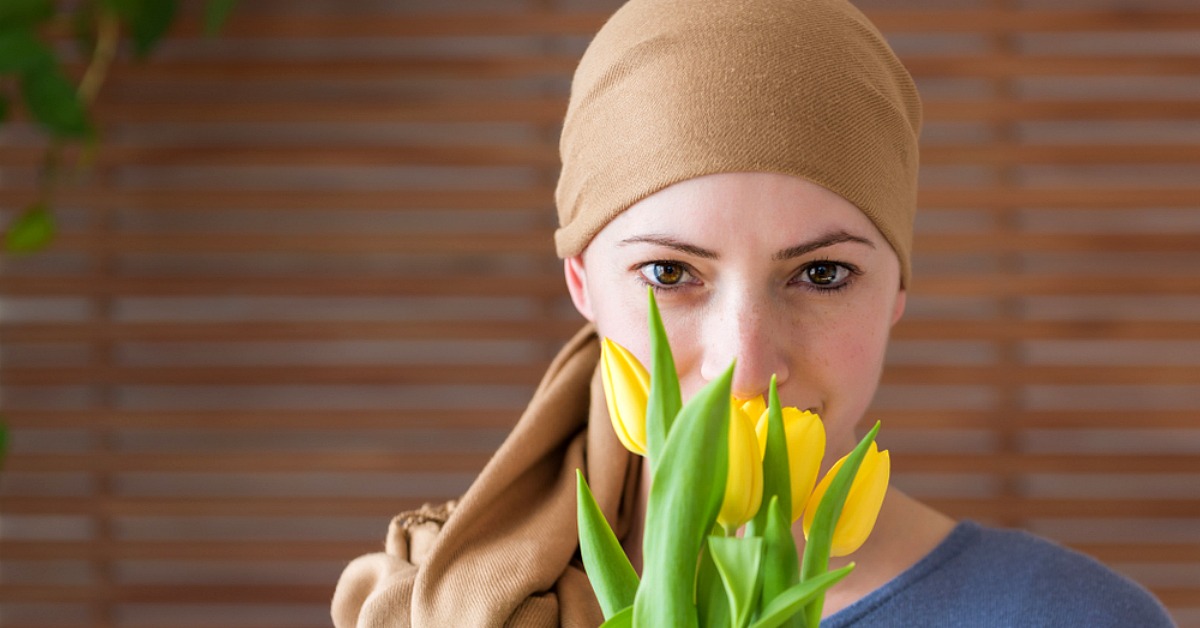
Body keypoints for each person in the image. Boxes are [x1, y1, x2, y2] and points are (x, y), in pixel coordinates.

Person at [331, 0, 1176, 626]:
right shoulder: (442, 601)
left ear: (898, 295)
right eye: (671, 271)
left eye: (820, 273)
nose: (746, 360)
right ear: (582, 282)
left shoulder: (1067, 616)